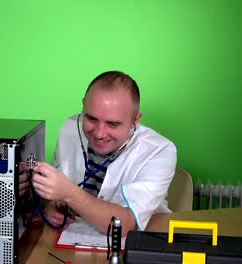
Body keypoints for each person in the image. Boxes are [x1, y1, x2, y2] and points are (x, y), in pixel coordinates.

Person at [31, 71, 177, 236]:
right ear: (83, 105)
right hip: (75, 242)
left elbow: (124, 225)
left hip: (136, 243)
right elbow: (57, 194)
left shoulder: (160, 151)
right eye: (91, 119)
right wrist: (52, 206)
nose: (99, 134)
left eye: (113, 124)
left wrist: (70, 193)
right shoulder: (69, 128)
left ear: (134, 120)